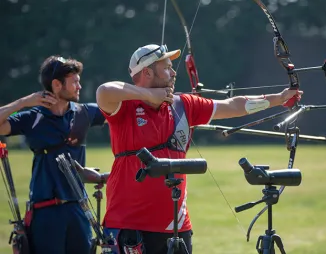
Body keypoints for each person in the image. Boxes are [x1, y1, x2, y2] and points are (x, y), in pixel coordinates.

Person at [95, 44, 303, 254]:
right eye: (167, 67)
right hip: (128, 224)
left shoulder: (183, 105)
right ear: (147, 72)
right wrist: (148, 96)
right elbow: (103, 91)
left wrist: (279, 98)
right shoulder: (124, 107)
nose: (174, 72)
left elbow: (232, 106)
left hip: (176, 227)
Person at [0, 55, 109, 254]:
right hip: (45, 213)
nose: (79, 87)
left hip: (79, 210)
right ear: (57, 85)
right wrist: (24, 102)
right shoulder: (33, 117)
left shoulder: (85, 113)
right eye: (74, 82)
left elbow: (120, 112)